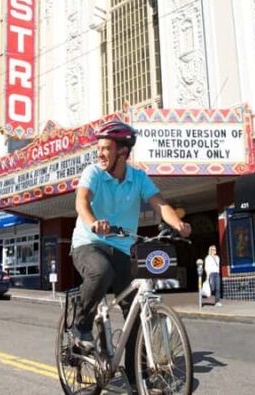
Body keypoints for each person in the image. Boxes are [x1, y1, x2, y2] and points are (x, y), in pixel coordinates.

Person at [71, 121, 192, 349]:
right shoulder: (93, 173)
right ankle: (81, 326)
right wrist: (94, 223)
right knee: (101, 272)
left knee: (135, 307)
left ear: (122, 152)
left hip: (123, 249)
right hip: (89, 243)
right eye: (99, 148)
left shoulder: (138, 178)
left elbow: (159, 203)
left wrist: (178, 224)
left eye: (106, 148)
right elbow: (82, 201)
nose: (100, 153)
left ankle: (136, 369)